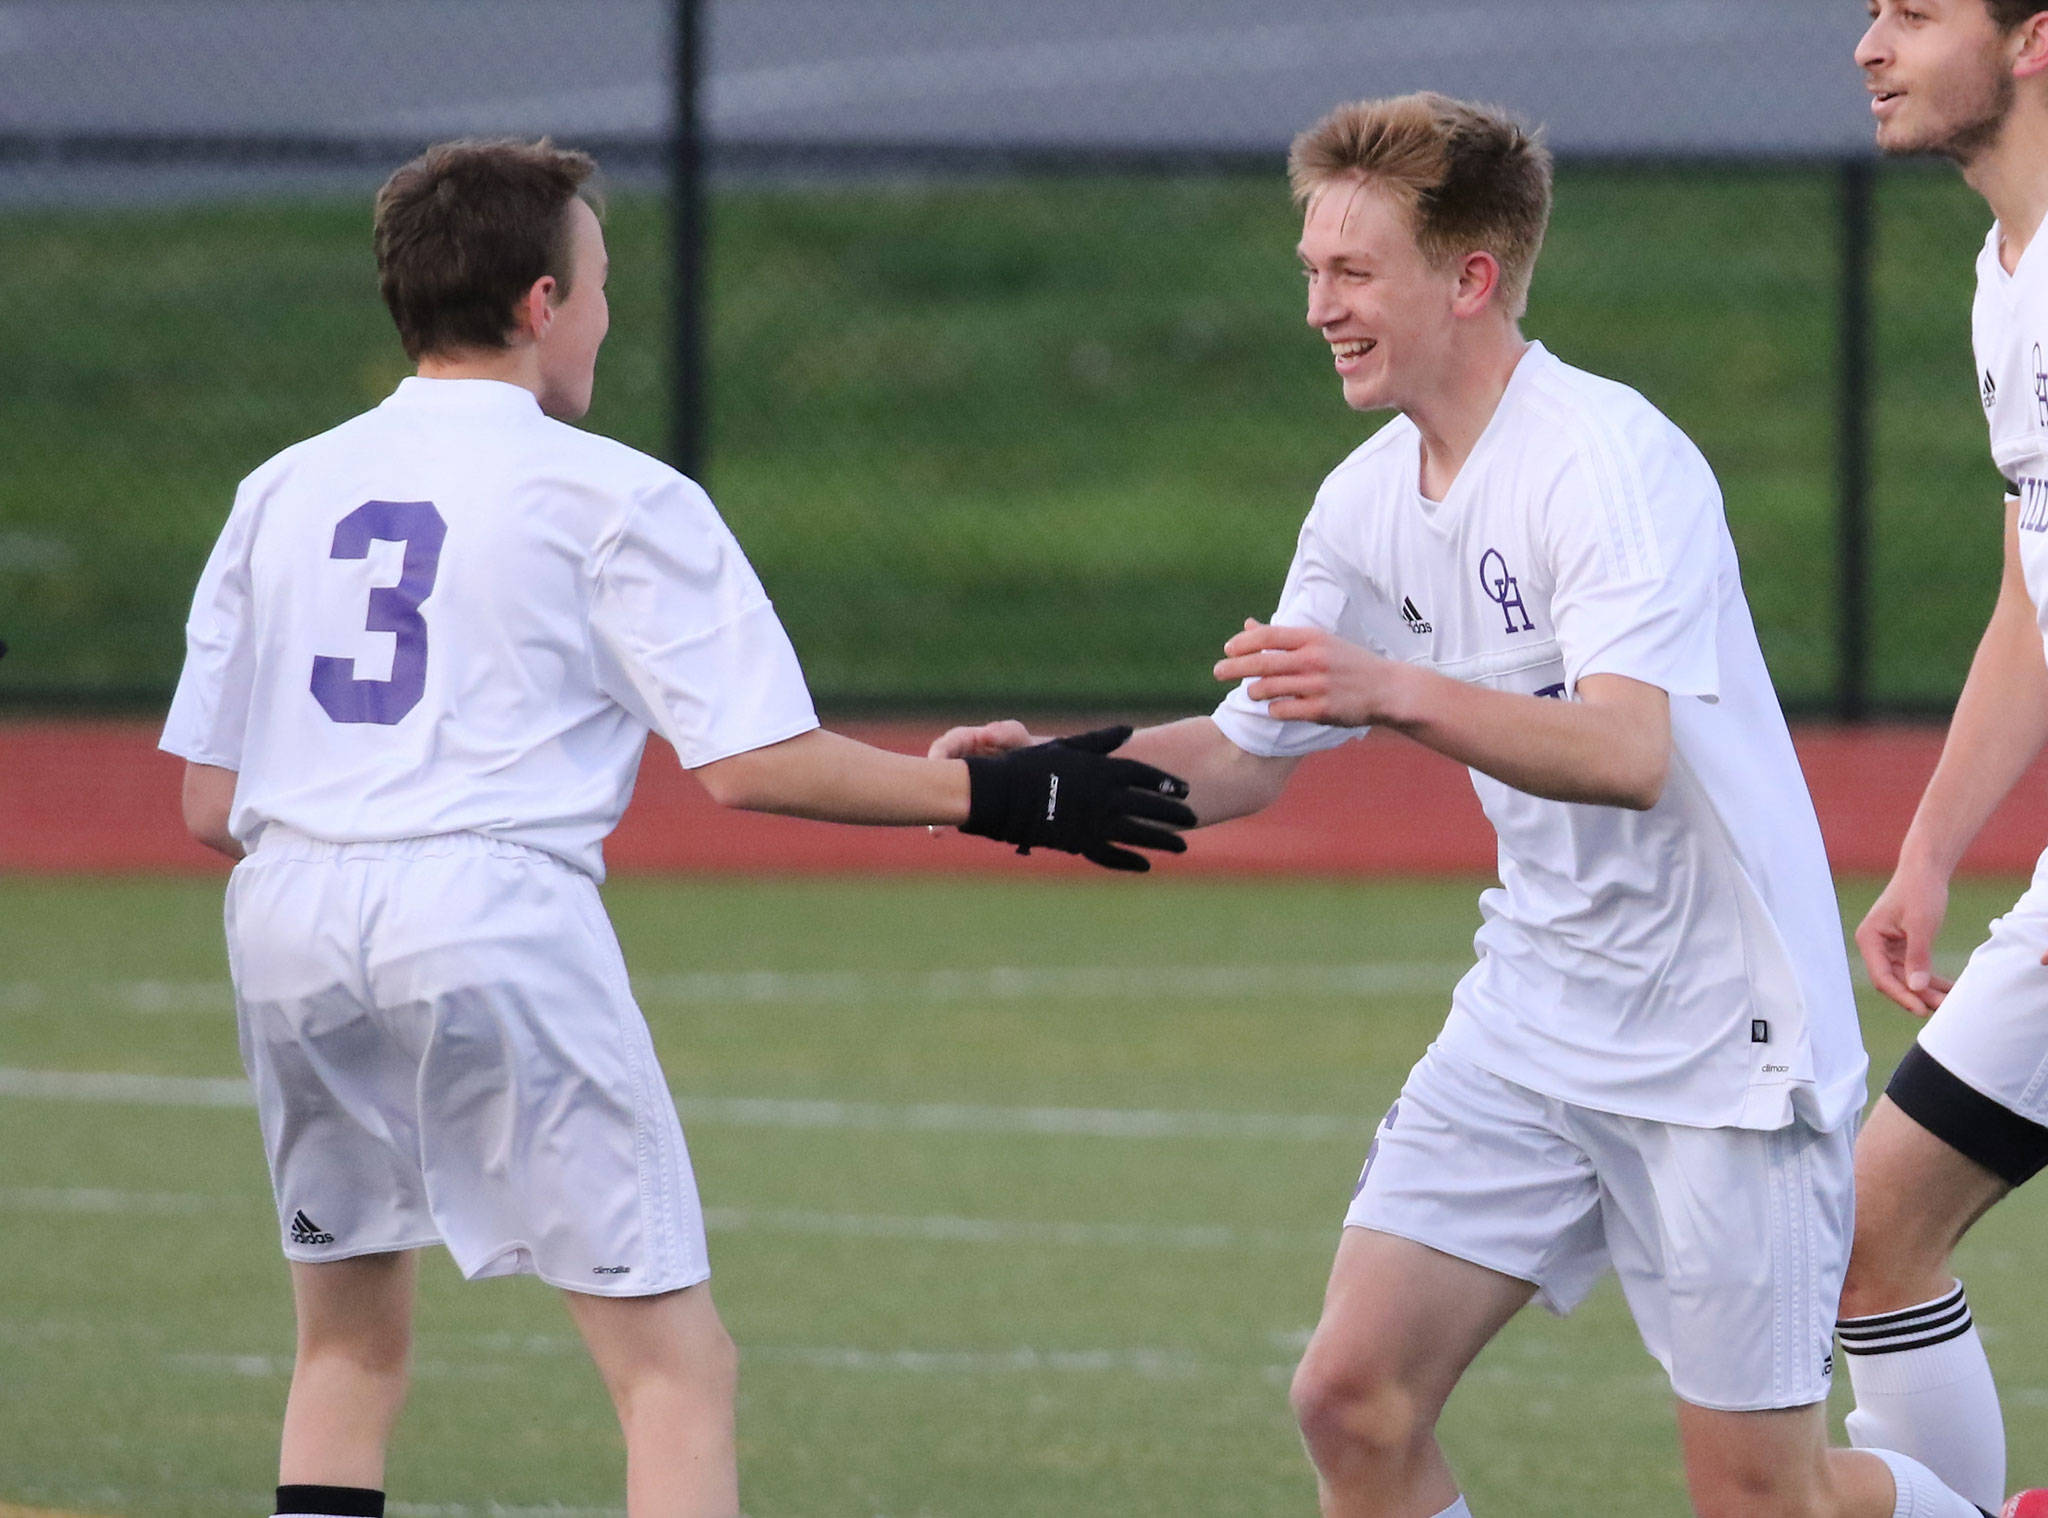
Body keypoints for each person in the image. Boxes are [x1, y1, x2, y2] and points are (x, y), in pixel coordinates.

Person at [933, 92, 2011, 1518]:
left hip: (1720, 1042)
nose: (1319, 305)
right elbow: (1251, 752)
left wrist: (1389, 687)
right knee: (1351, 1398)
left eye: (1352, 272)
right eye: (1312, 270)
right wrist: (1022, 782)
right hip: (1536, 1015)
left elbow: (1625, 751)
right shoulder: (1366, 499)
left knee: (1766, 1495)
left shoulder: (1609, 464)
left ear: (1472, 278)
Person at [159, 138, 1192, 1518]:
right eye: (596, 284)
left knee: (346, 1343)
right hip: (489, 913)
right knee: (674, 1369)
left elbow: (206, 802)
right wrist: (1011, 794)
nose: (604, 311)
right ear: (539, 303)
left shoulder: (277, 489)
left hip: (283, 916)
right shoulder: (613, 493)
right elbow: (756, 763)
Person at [1843, 3, 2048, 1513]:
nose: (1870, 41)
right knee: (1870, 1228)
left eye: (1915, 12)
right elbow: (2030, 590)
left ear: (2036, 41)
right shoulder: (2003, 279)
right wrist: (1930, 843)